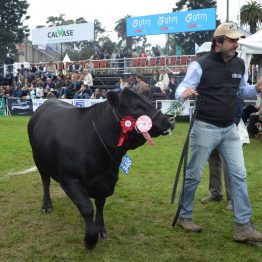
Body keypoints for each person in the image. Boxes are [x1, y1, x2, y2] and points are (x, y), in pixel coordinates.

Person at [175, 22, 262, 244]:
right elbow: (180, 89)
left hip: (229, 129)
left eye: (237, 40)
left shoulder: (239, 64)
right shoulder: (200, 65)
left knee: (239, 175)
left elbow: (243, 90)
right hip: (204, 127)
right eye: (232, 40)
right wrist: (184, 93)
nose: (236, 44)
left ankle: (243, 226)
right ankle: (184, 216)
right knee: (193, 175)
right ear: (218, 42)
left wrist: (257, 88)